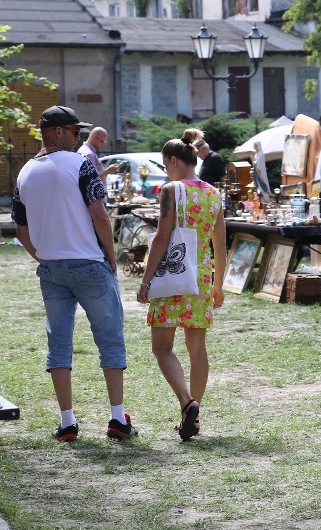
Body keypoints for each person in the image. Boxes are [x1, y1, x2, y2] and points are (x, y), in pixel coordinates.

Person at [12, 105, 136, 441]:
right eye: (74, 131)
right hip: (88, 263)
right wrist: (111, 257)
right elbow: (100, 216)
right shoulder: (79, 164)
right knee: (110, 339)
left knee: (59, 344)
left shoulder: (23, 173)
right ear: (57, 132)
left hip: (52, 268)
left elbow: (21, 231)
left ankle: (67, 422)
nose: (79, 137)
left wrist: (45, 256)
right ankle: (116, 419)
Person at [137, 129, 226, 441]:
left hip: (172, 274)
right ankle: (194, 415)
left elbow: (162, 238)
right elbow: (221, 246)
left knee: (162, 348)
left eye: (165, 165)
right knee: (197, 347)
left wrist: (146, 280)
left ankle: (187, 403)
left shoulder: (171, 190)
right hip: (200, 278)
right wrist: (219, 284)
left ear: (173, 161)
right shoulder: (213, 194)